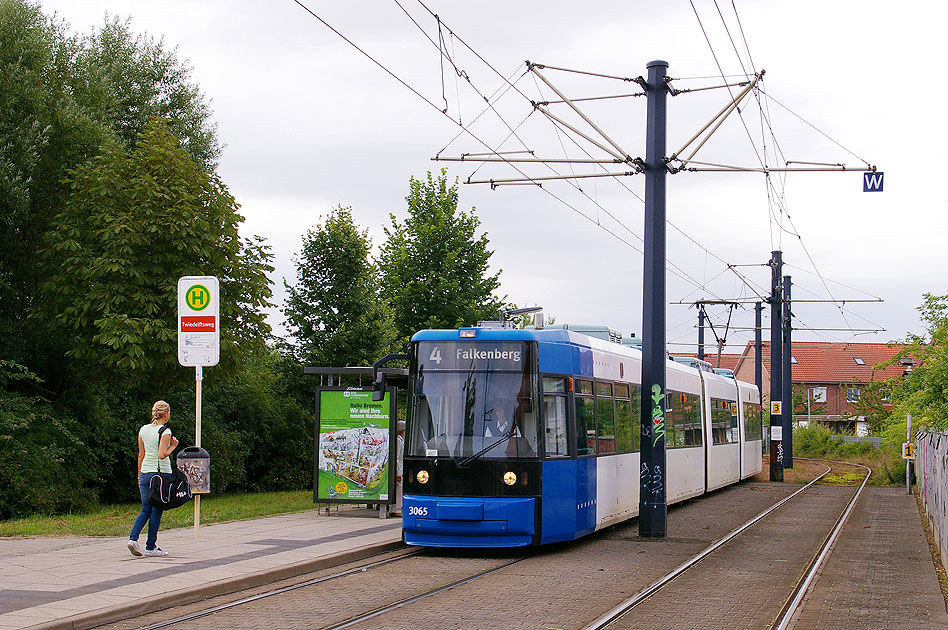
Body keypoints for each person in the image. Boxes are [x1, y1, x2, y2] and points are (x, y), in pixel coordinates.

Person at [127, 400, 179, 557]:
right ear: (165, 414)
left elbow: (141, 454)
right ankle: (151, 546)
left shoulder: (143, 430)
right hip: (160, 475)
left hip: (144, 473)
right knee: (157, 509)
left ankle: (133, 539)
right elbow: (162, 454)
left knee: (145, 509)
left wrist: (139, 475)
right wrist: (173, 446)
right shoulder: (165, 431)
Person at [390, 420, 405, 517]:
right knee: (398, 489)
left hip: (399, 468)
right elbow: (397, 458)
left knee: (396, 489)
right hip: (398, 469)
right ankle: (397, 509)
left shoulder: (400, 440)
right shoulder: (398, 441)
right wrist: (398, 472)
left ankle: (393, 508)